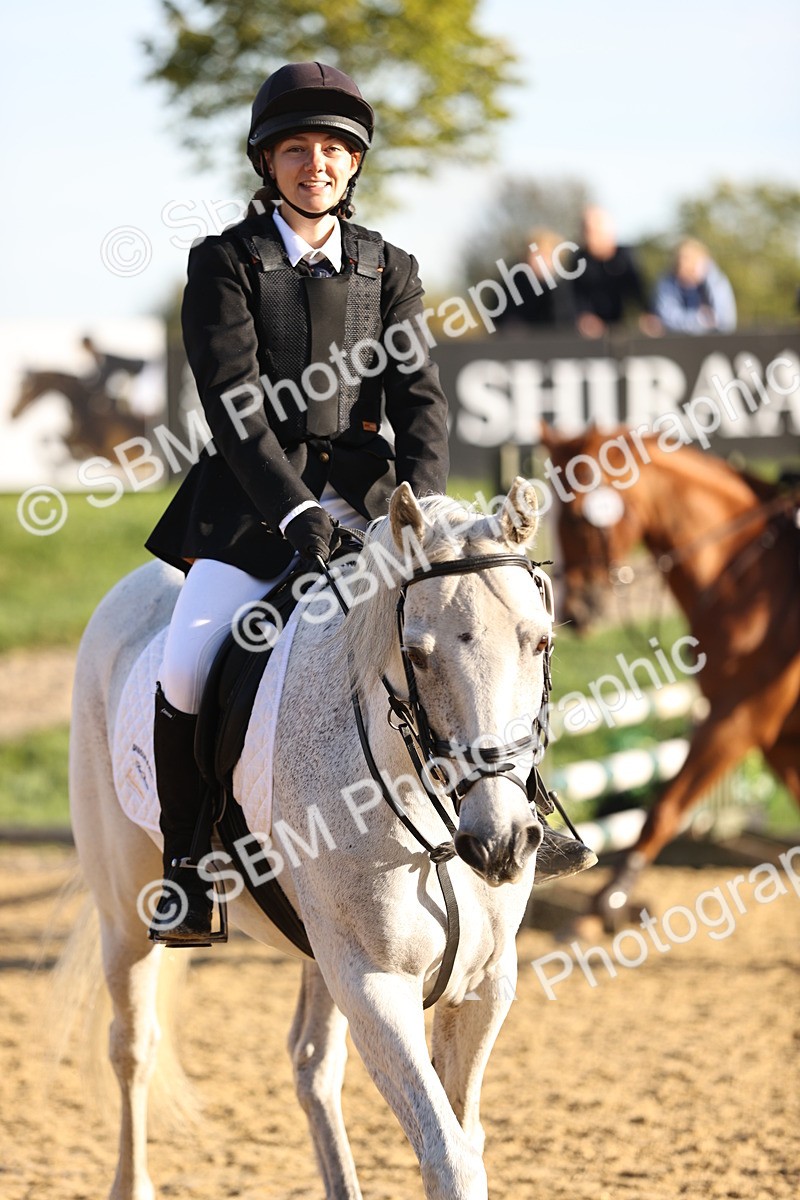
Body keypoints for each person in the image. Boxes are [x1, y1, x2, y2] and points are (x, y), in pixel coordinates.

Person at [145, 62, 590, 944]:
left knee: (479, 619)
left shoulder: (391, 266)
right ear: (268, 162)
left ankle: (523, 794)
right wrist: (297, 516)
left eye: (335, 151)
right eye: (299, 149)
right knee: (187, 668)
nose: (318, 163)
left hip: (374, 497)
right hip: (248, 504)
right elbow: (234, 409)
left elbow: (422, 397)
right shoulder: (224, 263)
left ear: (354, 167)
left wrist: (422, 507)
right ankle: (189, 867)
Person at [572, 206, 658, 337]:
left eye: (594, 231)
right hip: (590, 336)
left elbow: (639, 293)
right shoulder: (578, 260)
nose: (589, 236)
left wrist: (648, 316)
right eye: (586, 231)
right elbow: (573, 298)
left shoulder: (625, 257)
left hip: (622, 331)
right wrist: (584, 317)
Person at [495, 228, 577, 332]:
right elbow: (502, 317)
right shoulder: (514, 284)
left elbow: (566, 320)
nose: (537, 260)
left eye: (544, 255)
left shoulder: (566, 286)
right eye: (533, 255)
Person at [653, 238, 737, 333]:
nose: (684, 268)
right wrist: (700, 319)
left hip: (714, 344)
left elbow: (726, 321)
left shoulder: (717, 280)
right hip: (679, 344)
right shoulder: (667, 281)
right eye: (680, 265)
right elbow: (667, 319)